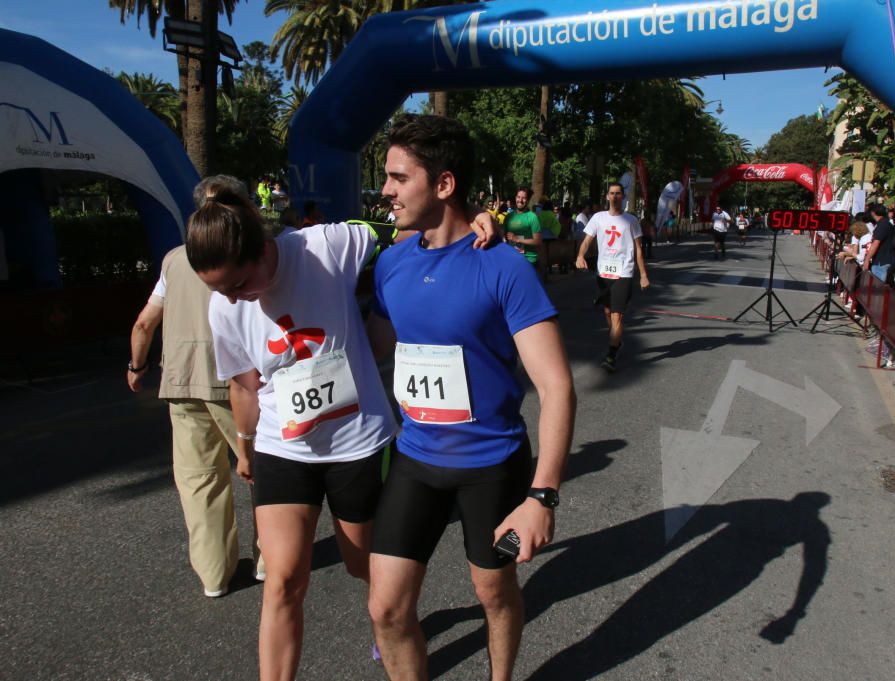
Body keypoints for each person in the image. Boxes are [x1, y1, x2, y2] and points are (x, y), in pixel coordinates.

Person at [185, 184, 497, 680]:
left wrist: (472, 217)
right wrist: (244, 448)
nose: (232, 298)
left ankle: (391, 627)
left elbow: (407, 222)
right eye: (219, 290)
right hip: (282, 447)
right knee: (284, 579)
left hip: (358, 444)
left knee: (362, 566)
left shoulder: (322, 246)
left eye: (238, 284)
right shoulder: (225, 306)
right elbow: (246, 386)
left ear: (263, 250)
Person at [365, 114, 576, 681]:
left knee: (493, 592)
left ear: (444, 184)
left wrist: (543, 497)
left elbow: (556, 386)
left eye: (397, 178)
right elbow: (374, 344)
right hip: (415, 460)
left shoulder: (503, 266)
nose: (384, 190)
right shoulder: (391, 262)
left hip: (491, 466)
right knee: (385, 609)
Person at [128, 174, 263, 599]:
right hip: (235, 380)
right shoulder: (250, 252)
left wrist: (137, 365)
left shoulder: (173, 260)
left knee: (198, 480)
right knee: (260, 471)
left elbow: (145, 322)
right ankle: (268, 559)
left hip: (181, 379)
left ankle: (214, 575)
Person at [574, 183, 650, 372]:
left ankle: (611, 355)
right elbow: (587, 241)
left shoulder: (631, 220)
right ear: (607, 196)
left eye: (618, 194)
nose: (615, 196)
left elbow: (639, 249)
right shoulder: (598, 218)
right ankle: (616, 342)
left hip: (623, 272)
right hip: (603, 273)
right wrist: (580, 256)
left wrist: (643, 275)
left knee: (617, 315)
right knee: (607, 312)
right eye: (612, 193)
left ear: (623, 197)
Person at [504, 187, 543, 273]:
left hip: (528, 260)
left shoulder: (532, 217)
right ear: (515, 197)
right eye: (518, 197)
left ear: (528, 200)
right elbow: (505, 238)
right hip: (512, 260)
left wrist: (518, 239)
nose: (520, 200)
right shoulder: (509, 217)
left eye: (524, 198)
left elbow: (538, 241)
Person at [862, 203, 895, 282]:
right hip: (889, 259)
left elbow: (876, 243)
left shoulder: (882, 225)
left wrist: (867, 260)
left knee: (877, 289)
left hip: (881, 262)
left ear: (873, 213)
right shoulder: (887, 224)